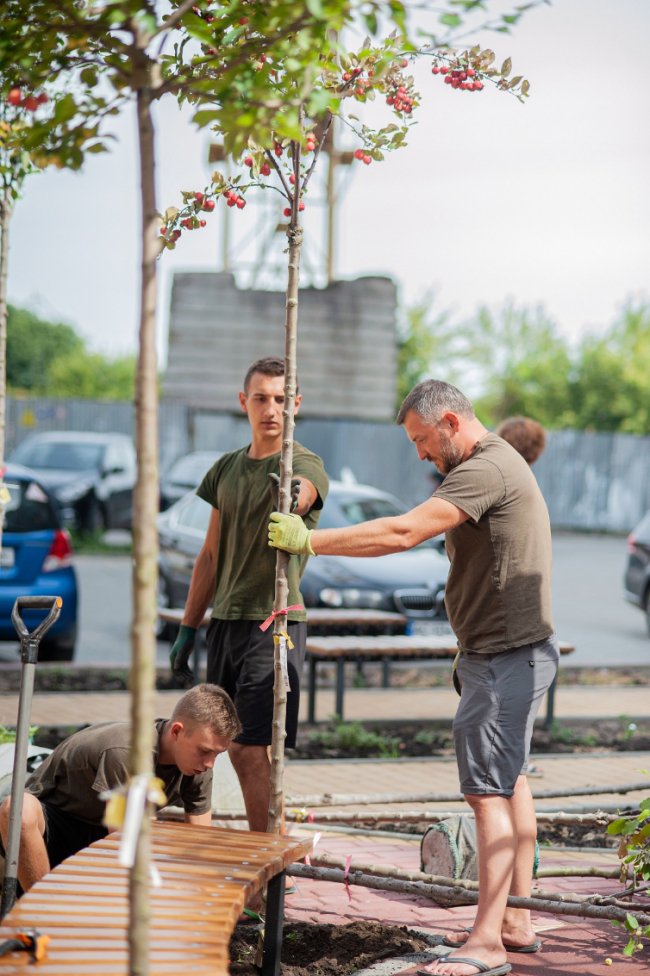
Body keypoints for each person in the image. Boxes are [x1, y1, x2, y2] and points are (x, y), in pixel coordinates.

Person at [268, 379, 559, 976]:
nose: (421, 454)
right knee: (511, 784)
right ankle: (514, 921)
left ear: (450, 422)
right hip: (510, 654)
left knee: (487, 795)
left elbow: (404, 532)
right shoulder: (497, 463)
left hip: (504, 658)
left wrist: (309, 541)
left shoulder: (484, 468)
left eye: (422, 440)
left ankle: (487, 941)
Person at [169, 356, 328, 833]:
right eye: (261, 398)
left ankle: (268, 857)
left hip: (274, 623)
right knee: (210, 740)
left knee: (247, 746)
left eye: (281, 399)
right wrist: (187, 628)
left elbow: (305, 490)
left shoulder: (303, 463)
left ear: (296, 404)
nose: (271, 409)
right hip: (225, 623)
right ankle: (235, 843)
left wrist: (292, 495)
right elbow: (209, 555)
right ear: (244, 402)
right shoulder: (225, 469)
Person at [0, 683, 241, 894]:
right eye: (205, 751)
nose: (210, 764)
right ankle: (43, 909)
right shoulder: (128, 752)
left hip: (101, 835)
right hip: (54, 832)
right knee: (18, 810)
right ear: (177, 731)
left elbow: (200, 842)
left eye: (217, 754)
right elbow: (125, 843)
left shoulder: (200, 767)